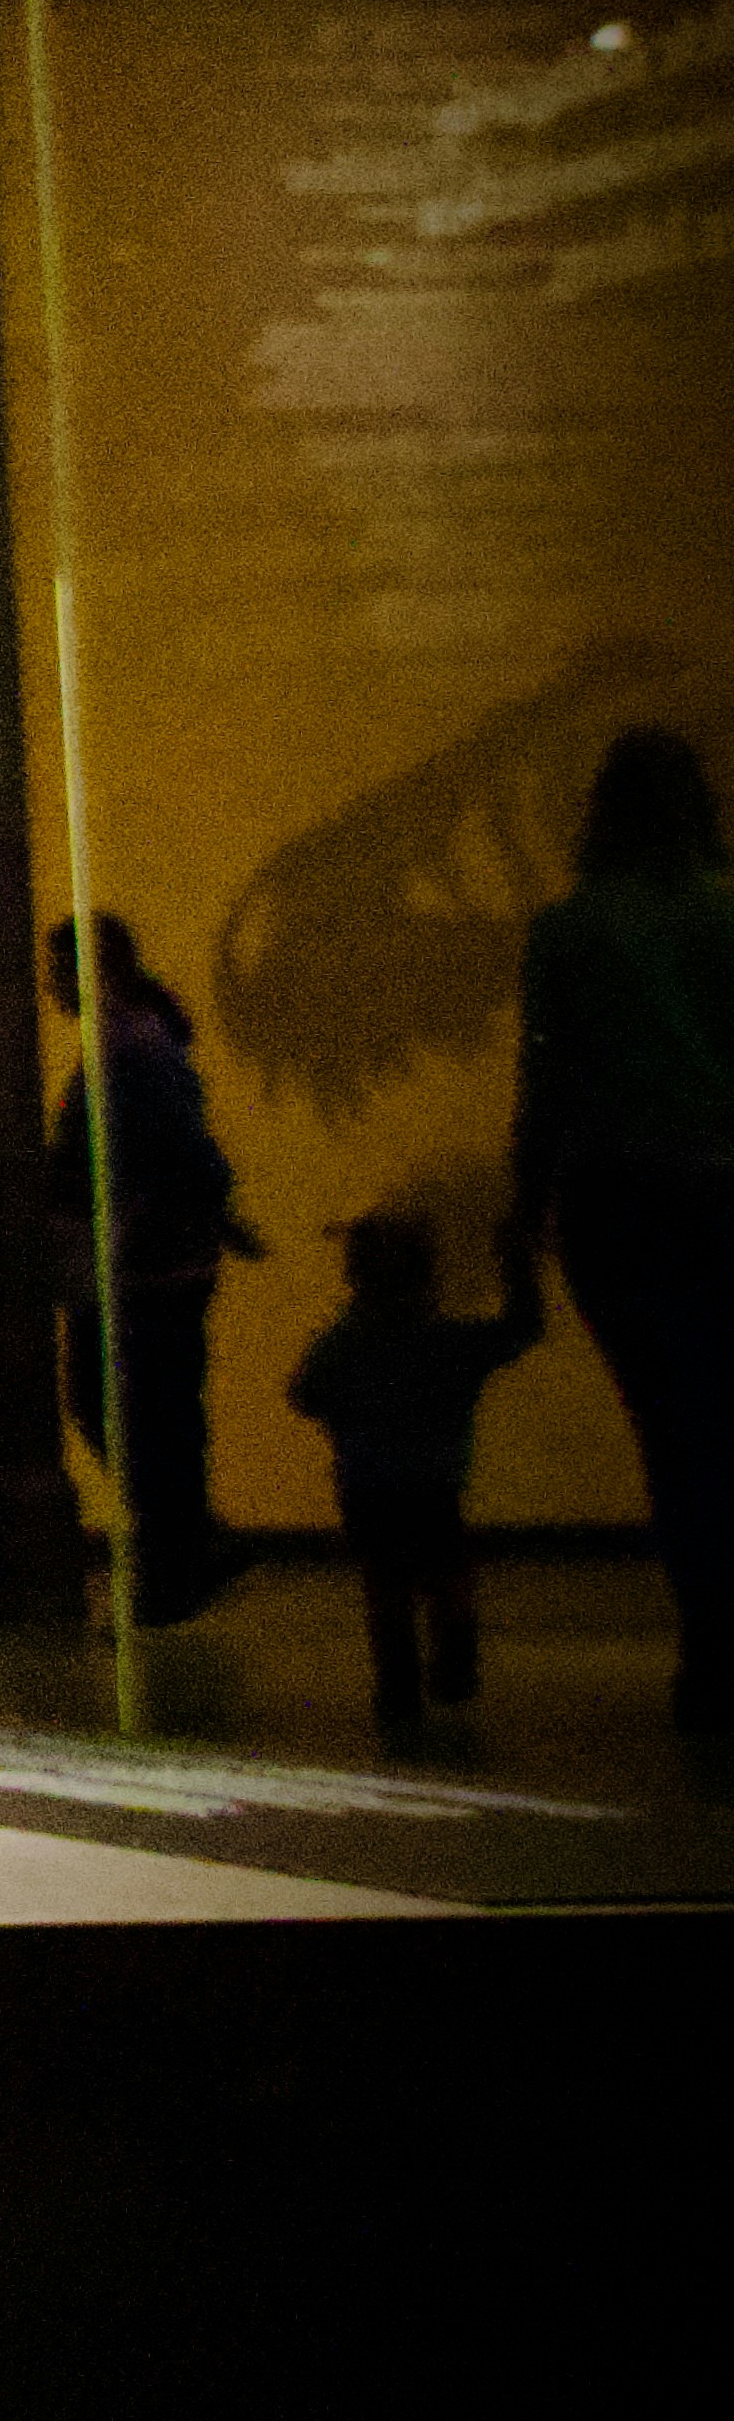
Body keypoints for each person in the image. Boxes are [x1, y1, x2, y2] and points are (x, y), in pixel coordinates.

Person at [505, 725, 734, 1732]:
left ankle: (711, 1644)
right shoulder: (728, 915)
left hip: (615, 1198)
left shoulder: (566, 929)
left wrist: (524, 1211)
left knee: (675, 1428)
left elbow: (546, 1087)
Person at [46, 909, 257, 1626]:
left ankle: (182, 1553)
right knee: (155, 1413)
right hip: (161, 1256)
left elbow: (176, 1148)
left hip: (142, 1261)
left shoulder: (126, 1046)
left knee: (126, 1409)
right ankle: (185, 1546)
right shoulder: (140, 1039)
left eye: (58, 970)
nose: (51, 988)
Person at [285, 1209, 541, 1741]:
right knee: (447, 1573)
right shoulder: (446, 1342)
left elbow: (304, 1396)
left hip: (367, 1485)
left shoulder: (341, 1344)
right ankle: (454, 1659)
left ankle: (397, 1685)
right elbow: (521, 1330)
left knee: (386, 1584)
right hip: (435, 1483)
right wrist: (517, 1264)